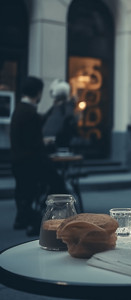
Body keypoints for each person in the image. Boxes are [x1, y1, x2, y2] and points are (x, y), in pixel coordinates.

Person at [10, 76, 68, 236]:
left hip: (18, 160)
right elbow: (34, 143)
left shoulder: (20, 109)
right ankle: (39, 223)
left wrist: (52, 108)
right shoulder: (30, 113)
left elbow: (35, 126)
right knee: (57, 184)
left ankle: (22, 219)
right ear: (38, 92)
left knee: (24, 192)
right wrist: (46, 143)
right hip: (32, 162)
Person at [42, 79, 78, 151]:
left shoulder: (55, 107)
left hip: (49, 142)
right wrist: (71, 103)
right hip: (60, 142)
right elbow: (70, 119)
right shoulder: (66, 107)